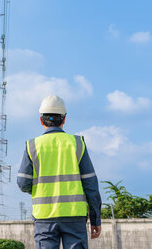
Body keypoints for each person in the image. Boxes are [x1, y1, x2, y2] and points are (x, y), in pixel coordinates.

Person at [17, 95, 102, 249]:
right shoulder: (77, 144)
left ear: (41, 120)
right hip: (74, 215)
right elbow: (91, 184)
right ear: (64, 119)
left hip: (44, 216)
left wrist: (41, 189)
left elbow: (23, 183)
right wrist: (96, 220)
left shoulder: (32, 146)